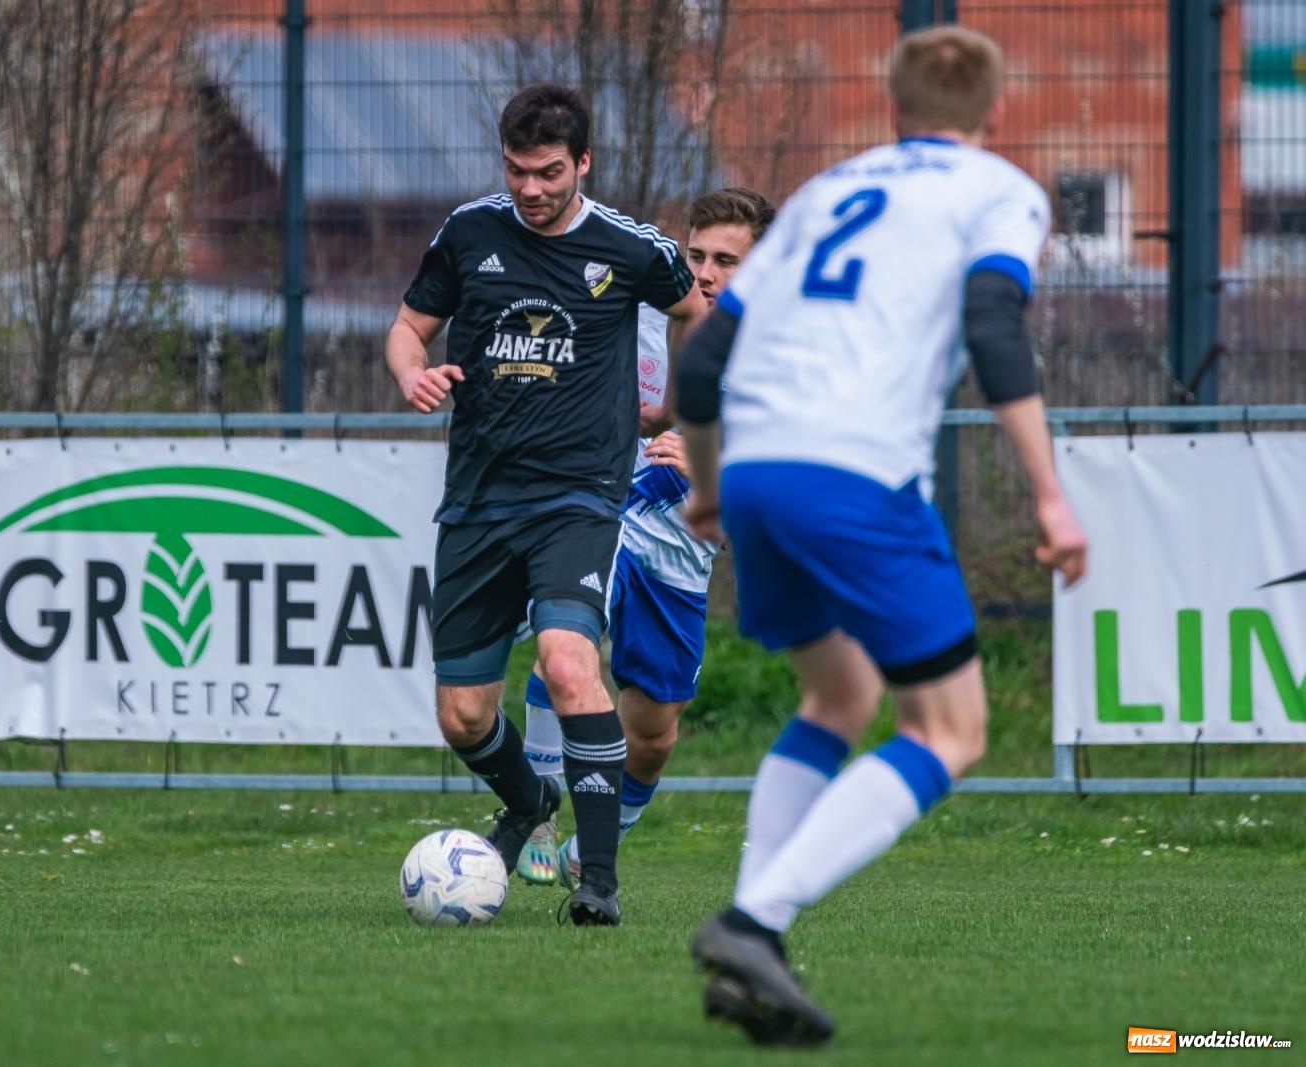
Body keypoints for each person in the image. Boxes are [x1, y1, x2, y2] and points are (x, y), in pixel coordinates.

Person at [672, 27, 1088, 1044]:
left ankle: (747, 951)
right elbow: (995, 330)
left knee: (839, 692)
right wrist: (1048, 494)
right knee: (949, 728)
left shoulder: (821, 194)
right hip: (854, 475)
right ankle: (752, 920)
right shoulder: (999, 191)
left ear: (891, 106)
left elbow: (697, 368)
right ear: (991, 114)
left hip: (762, 467)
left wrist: (712, 490)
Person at [385, 84, 707, 926]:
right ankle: (527, 801)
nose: (531, 189)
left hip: (578, 498)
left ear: (584, 163)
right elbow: (406, 327)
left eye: (550, 173)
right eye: (518, 171)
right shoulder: (469, 232)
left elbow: (694, 311)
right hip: (478, 501)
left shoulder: (632, 247)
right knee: (463, 716)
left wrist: (676, 410)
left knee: (569, 661)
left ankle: (596, 879)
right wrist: (411, 373)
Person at [512, 188, 777, 889]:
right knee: (567, 644)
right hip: (609, 507)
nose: (707, 273)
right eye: (697, 255)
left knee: (655, 733)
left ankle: (590, 850)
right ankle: (537, 810)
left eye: (728, 260)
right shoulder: (639, 315)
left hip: (683, 550)